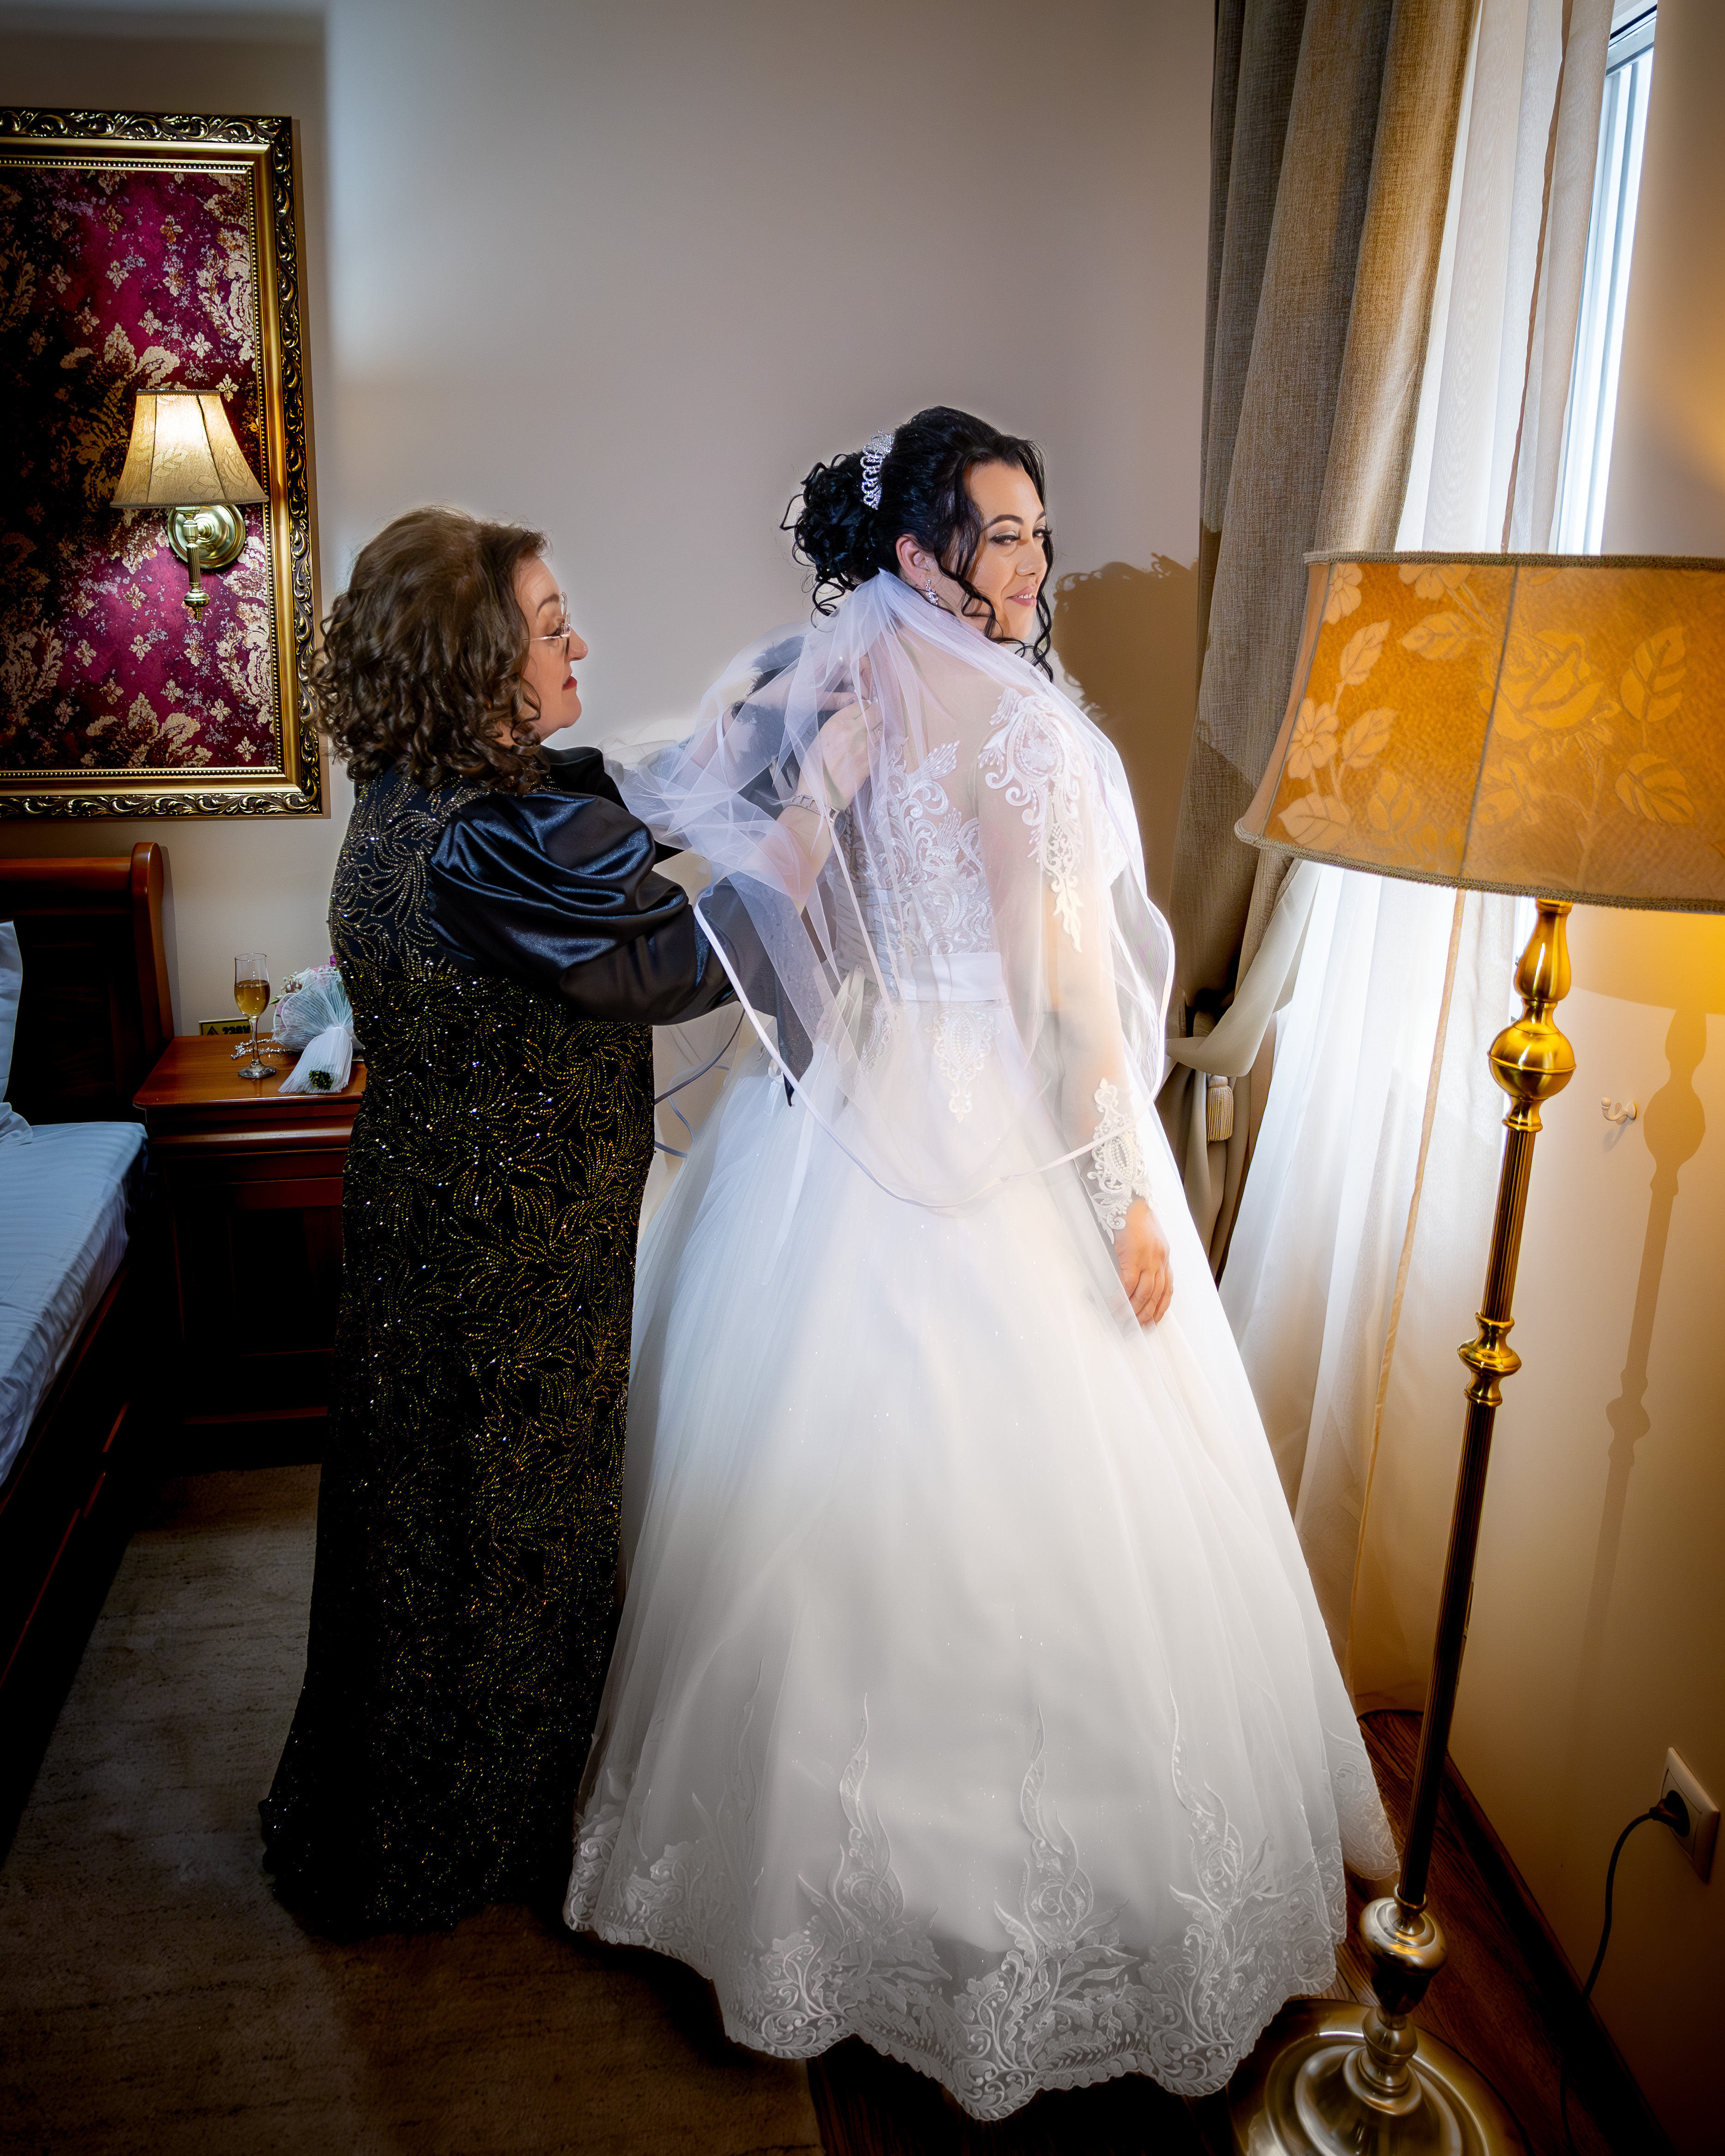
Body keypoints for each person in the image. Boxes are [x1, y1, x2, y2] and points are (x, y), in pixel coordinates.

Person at [564, 409, 1397, 2119]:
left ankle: (785, 1892)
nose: (1030, 564)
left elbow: (781, 904)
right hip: (984, 1122)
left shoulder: (835, 695)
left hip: (844, 1115)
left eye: (1035, 530)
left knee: (812, 1511)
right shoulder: (1028, 736)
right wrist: (1123, 1201)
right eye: (999, 535)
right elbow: (1062, 1012)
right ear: (918, 554)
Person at [262, 506, 731, 1933]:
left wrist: (748, 759)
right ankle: (472, 1833)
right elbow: (668, 961)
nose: (576, 642)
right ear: (472, 665)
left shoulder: (413, 792)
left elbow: (591, 807)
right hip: (506, 1257)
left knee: (425, 1523)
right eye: (546, 626)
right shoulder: (483, 845)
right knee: (511, 1534)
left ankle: (415, 1794)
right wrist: (821, 873)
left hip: (431, 1217)